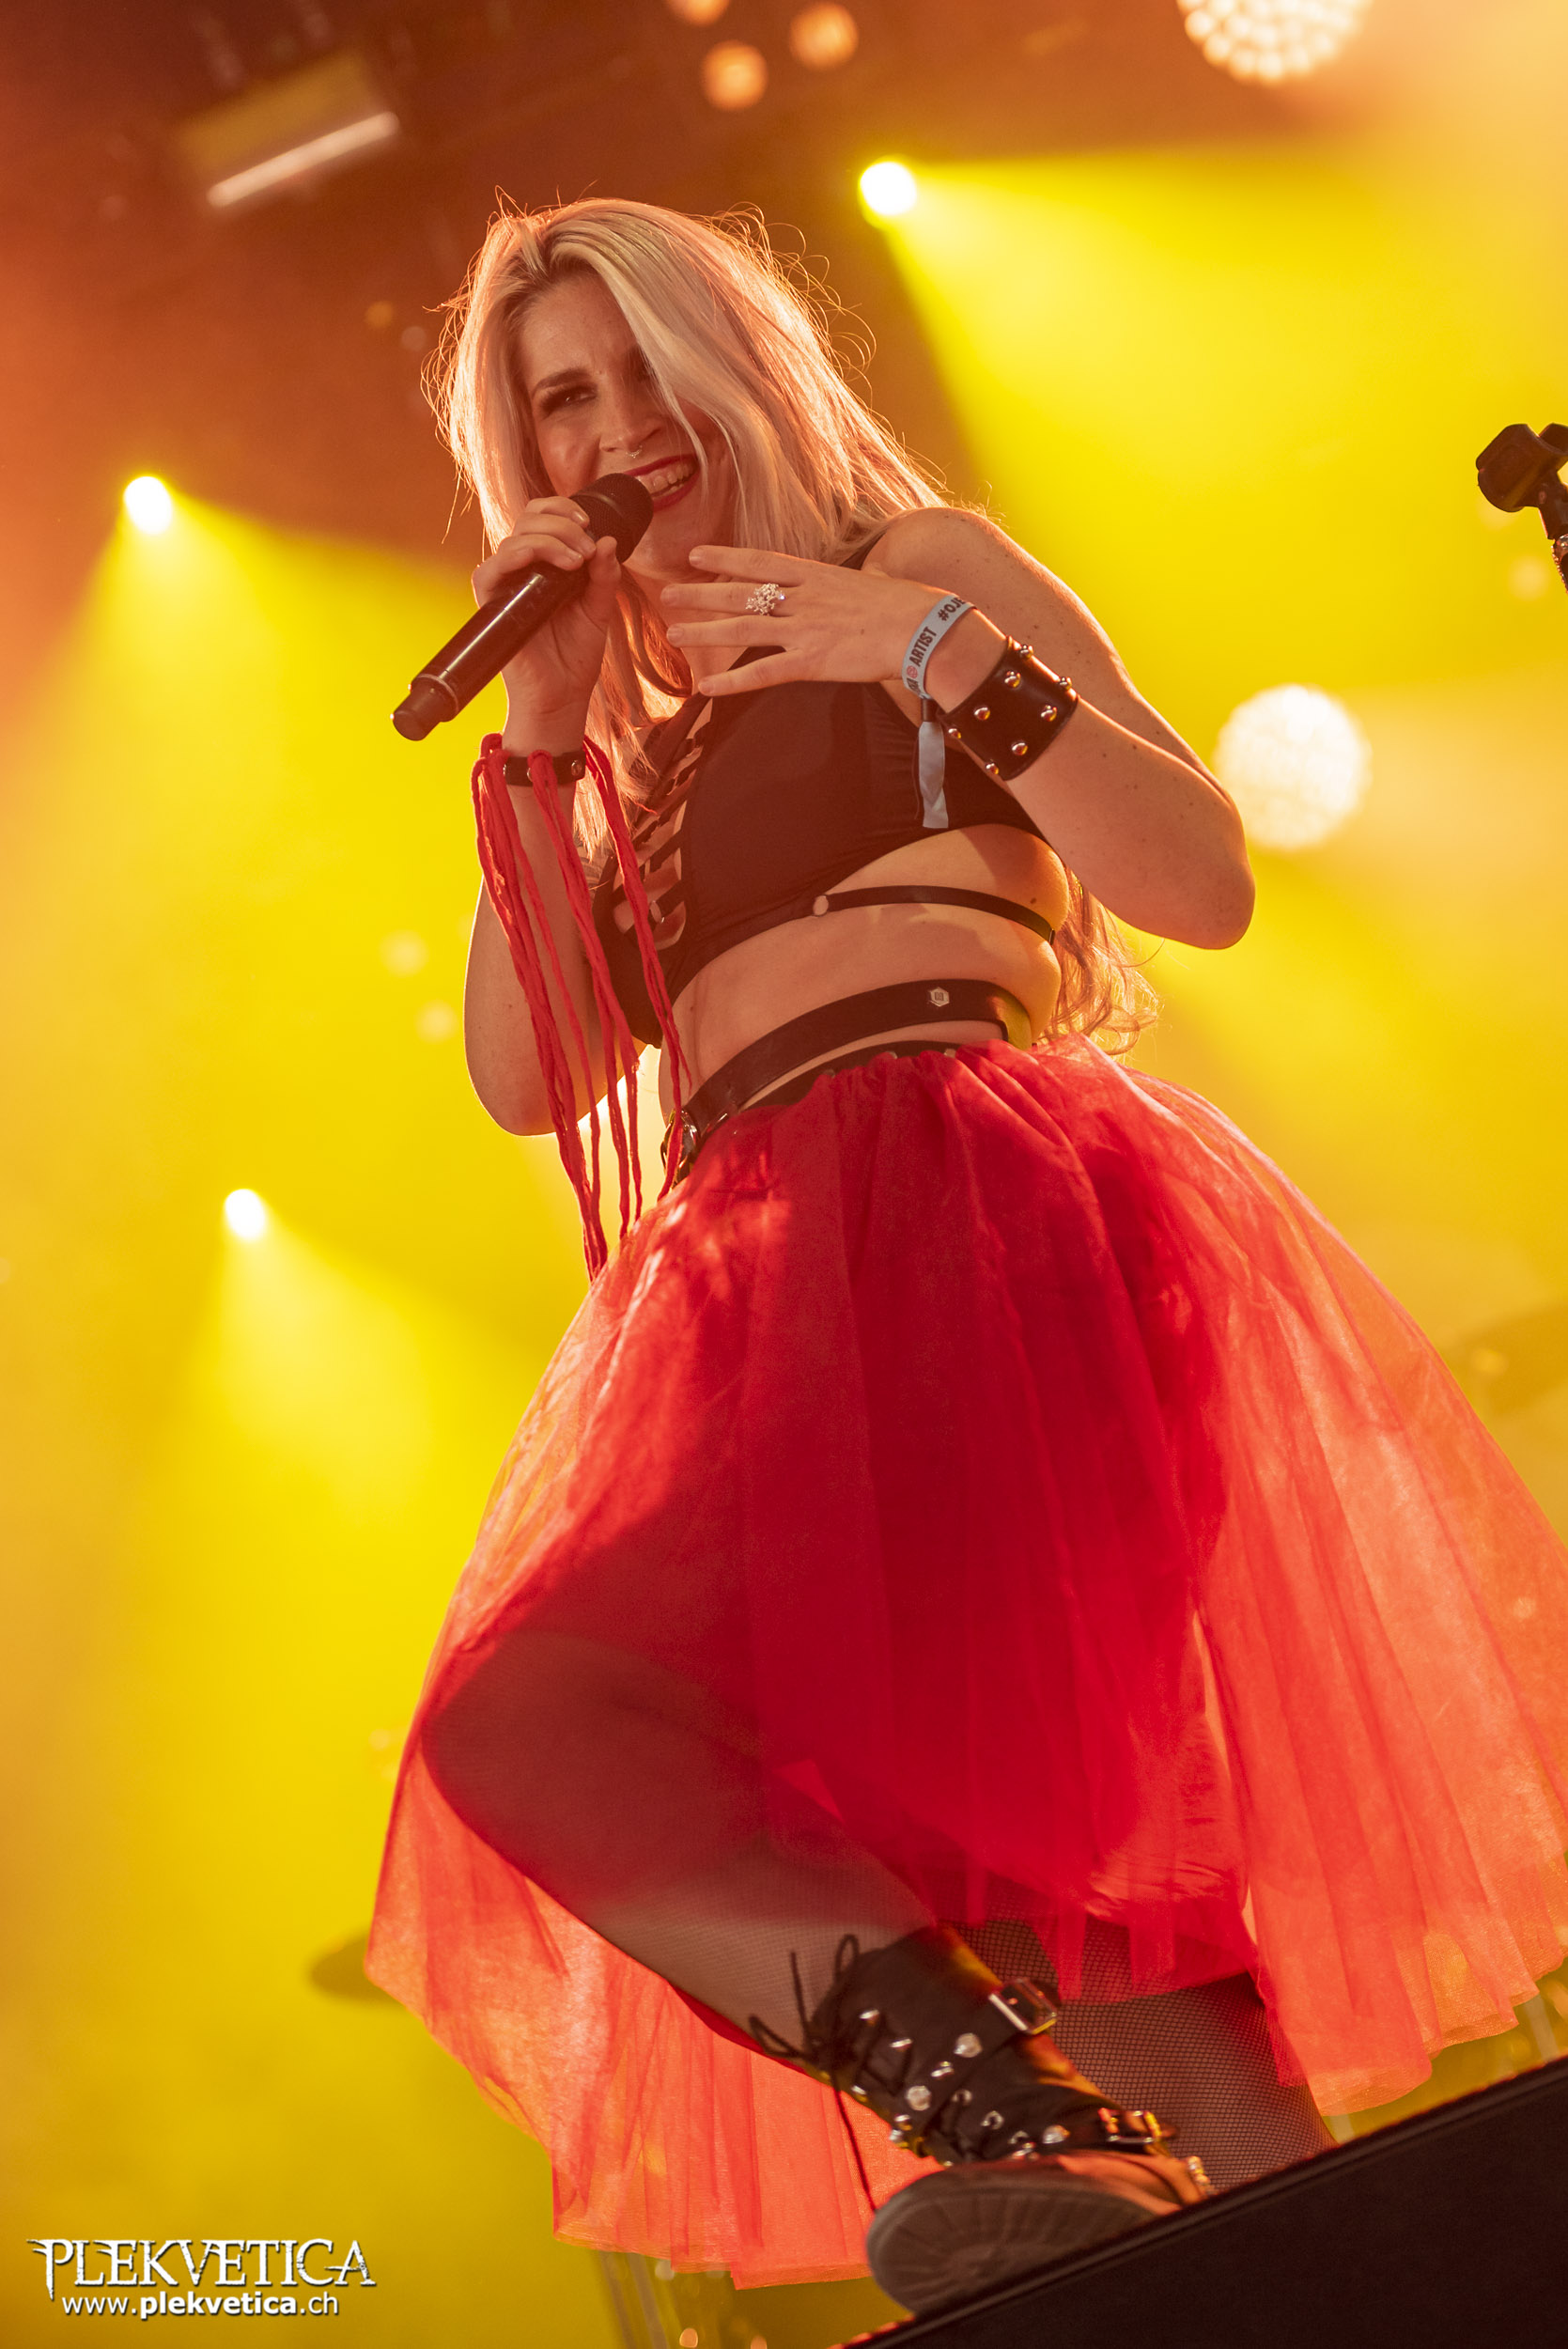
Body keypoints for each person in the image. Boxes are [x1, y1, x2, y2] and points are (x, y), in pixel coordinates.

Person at [367, 196, 1568, 2314]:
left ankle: (1031, 2121)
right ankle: (1109, 2155)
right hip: (760, 1269)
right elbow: (520, 1071)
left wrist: (913, 651)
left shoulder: (919, 571)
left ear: (731, 364)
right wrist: (543, 727)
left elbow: (1197, 877)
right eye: (560, 402)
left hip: (977, 1209)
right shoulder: (633, 750)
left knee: (864, 1792)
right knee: (1006, 1883)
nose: (616, 428)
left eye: (642, 368)